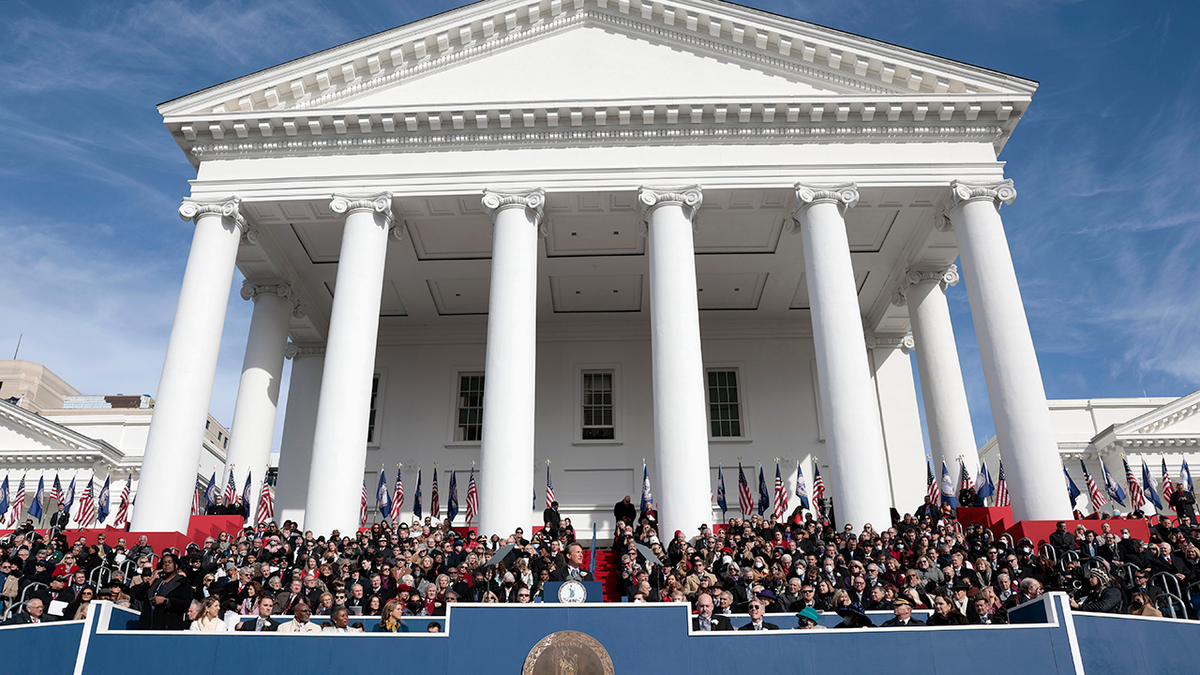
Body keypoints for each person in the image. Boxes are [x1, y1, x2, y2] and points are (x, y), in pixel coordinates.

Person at [130, 553, 193, 631]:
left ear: (176, 565)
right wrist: (152, 579)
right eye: (164, 563)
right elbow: (138, 595)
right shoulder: (157, 581)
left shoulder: (183, 582)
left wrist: (166, 601)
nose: (166, 565)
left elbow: (185, 604)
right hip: (148, 626)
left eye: (169, 562)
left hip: (167, 627)